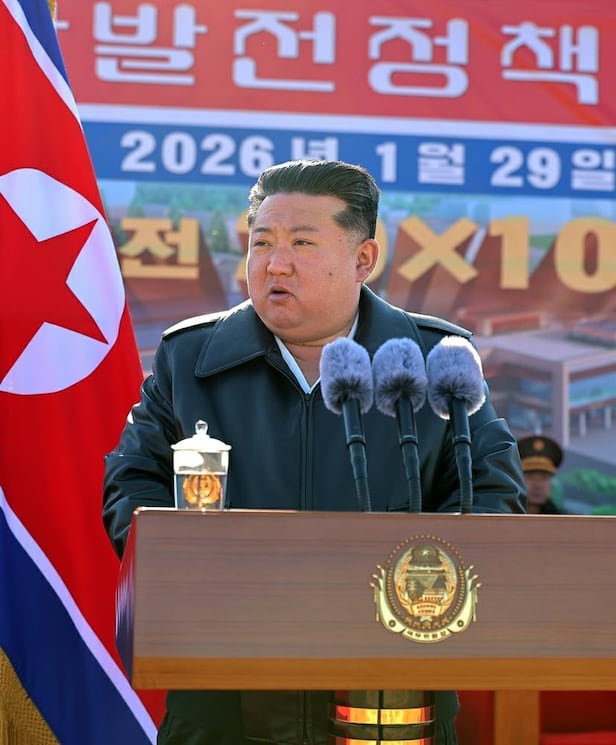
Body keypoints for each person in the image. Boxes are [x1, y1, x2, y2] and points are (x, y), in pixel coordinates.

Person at [103, 158, 527, 745]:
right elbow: (132, 483)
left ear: (363, 259)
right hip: (224, 707)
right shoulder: (191, 359)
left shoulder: (436, 360)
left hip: (391, 708)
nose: (275, 263)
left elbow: (493, 496)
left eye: (302, 242)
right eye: (261, 242)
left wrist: (417, 587)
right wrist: (198, 571)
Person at [517, 434, 565, 514]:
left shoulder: (564, 520)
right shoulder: (500, 517)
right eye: (530, 477)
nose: (538, 485)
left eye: (544, 477)